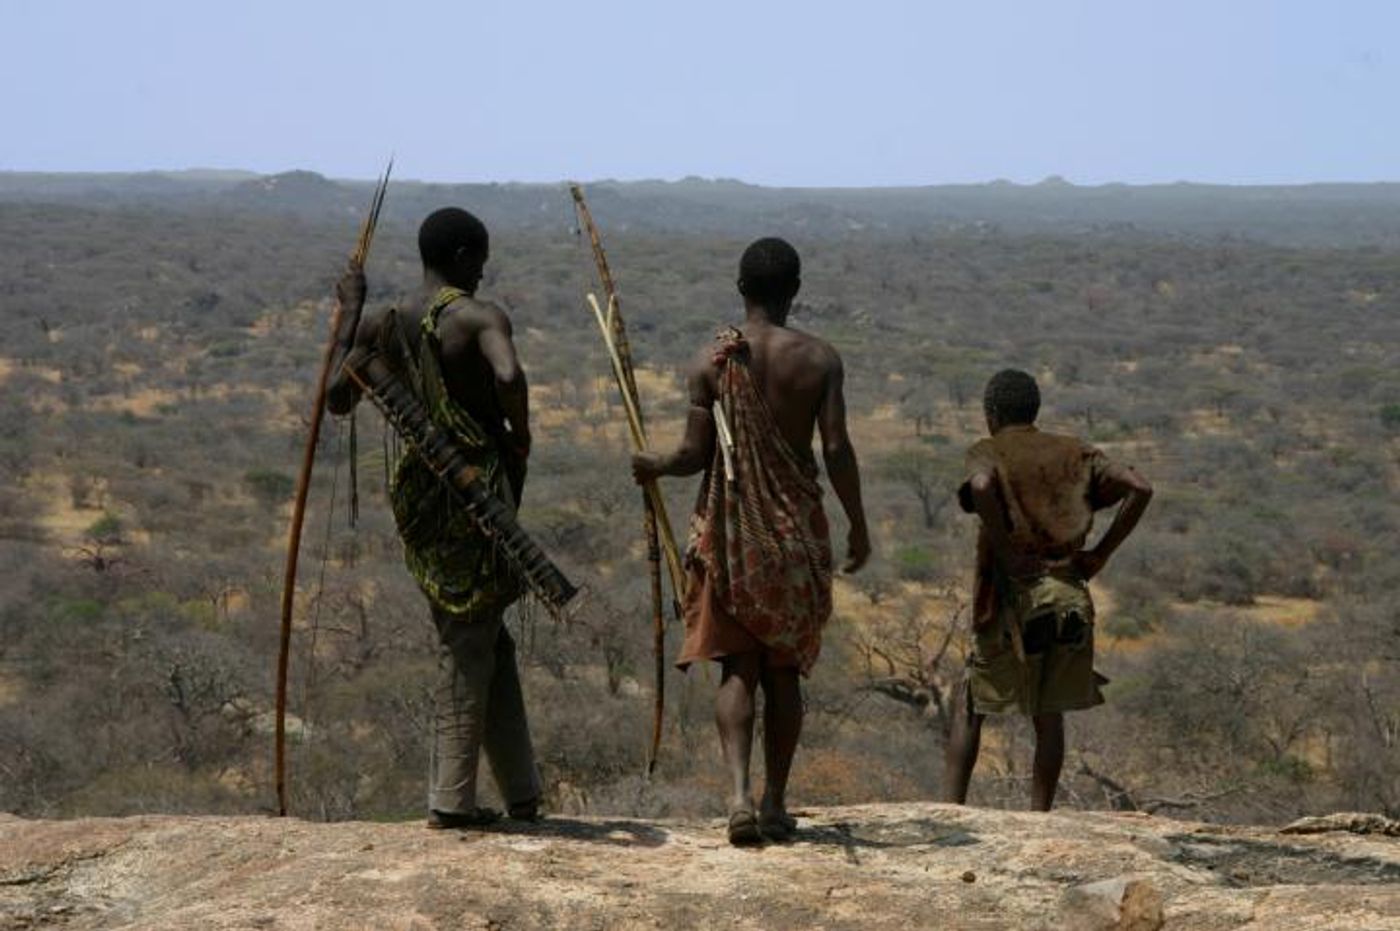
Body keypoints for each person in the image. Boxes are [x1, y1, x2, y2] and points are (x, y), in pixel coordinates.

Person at [632, 237, 870, 844]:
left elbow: (692, 455)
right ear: (795, 291)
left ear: (741, 289)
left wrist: (653, 464)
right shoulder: (820, 359)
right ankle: (775, 802)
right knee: (784, 670)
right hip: (794, 535)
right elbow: (836, 450)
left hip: (732, 533)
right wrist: (858, 524)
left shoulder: (711, 363)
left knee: (738, 666)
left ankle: (737, 795)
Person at [326, 207, 540, 828]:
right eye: (483, 255)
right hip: (476, 493)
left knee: (486, 636)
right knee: (468, 640)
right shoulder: (477, 317)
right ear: (468, 256)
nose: (486, 267)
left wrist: (346, 323)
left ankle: (522, 792)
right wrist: (518, 433)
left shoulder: (383, 325)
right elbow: (509, 373)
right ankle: (451, 800)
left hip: (424, 496)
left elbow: (338, 399)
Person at [944, 369, 1152, 810]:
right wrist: (1101, 553)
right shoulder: (1075, 451)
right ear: (1033, 410)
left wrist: (1007, 549)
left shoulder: (990, 450)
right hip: (1069, 596)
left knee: (972, 701)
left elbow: (980, 486)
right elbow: (1140, 486)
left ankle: (951, 810)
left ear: (990, 413)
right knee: (1048, 710)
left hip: (1008, 597)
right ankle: (1040, 816)